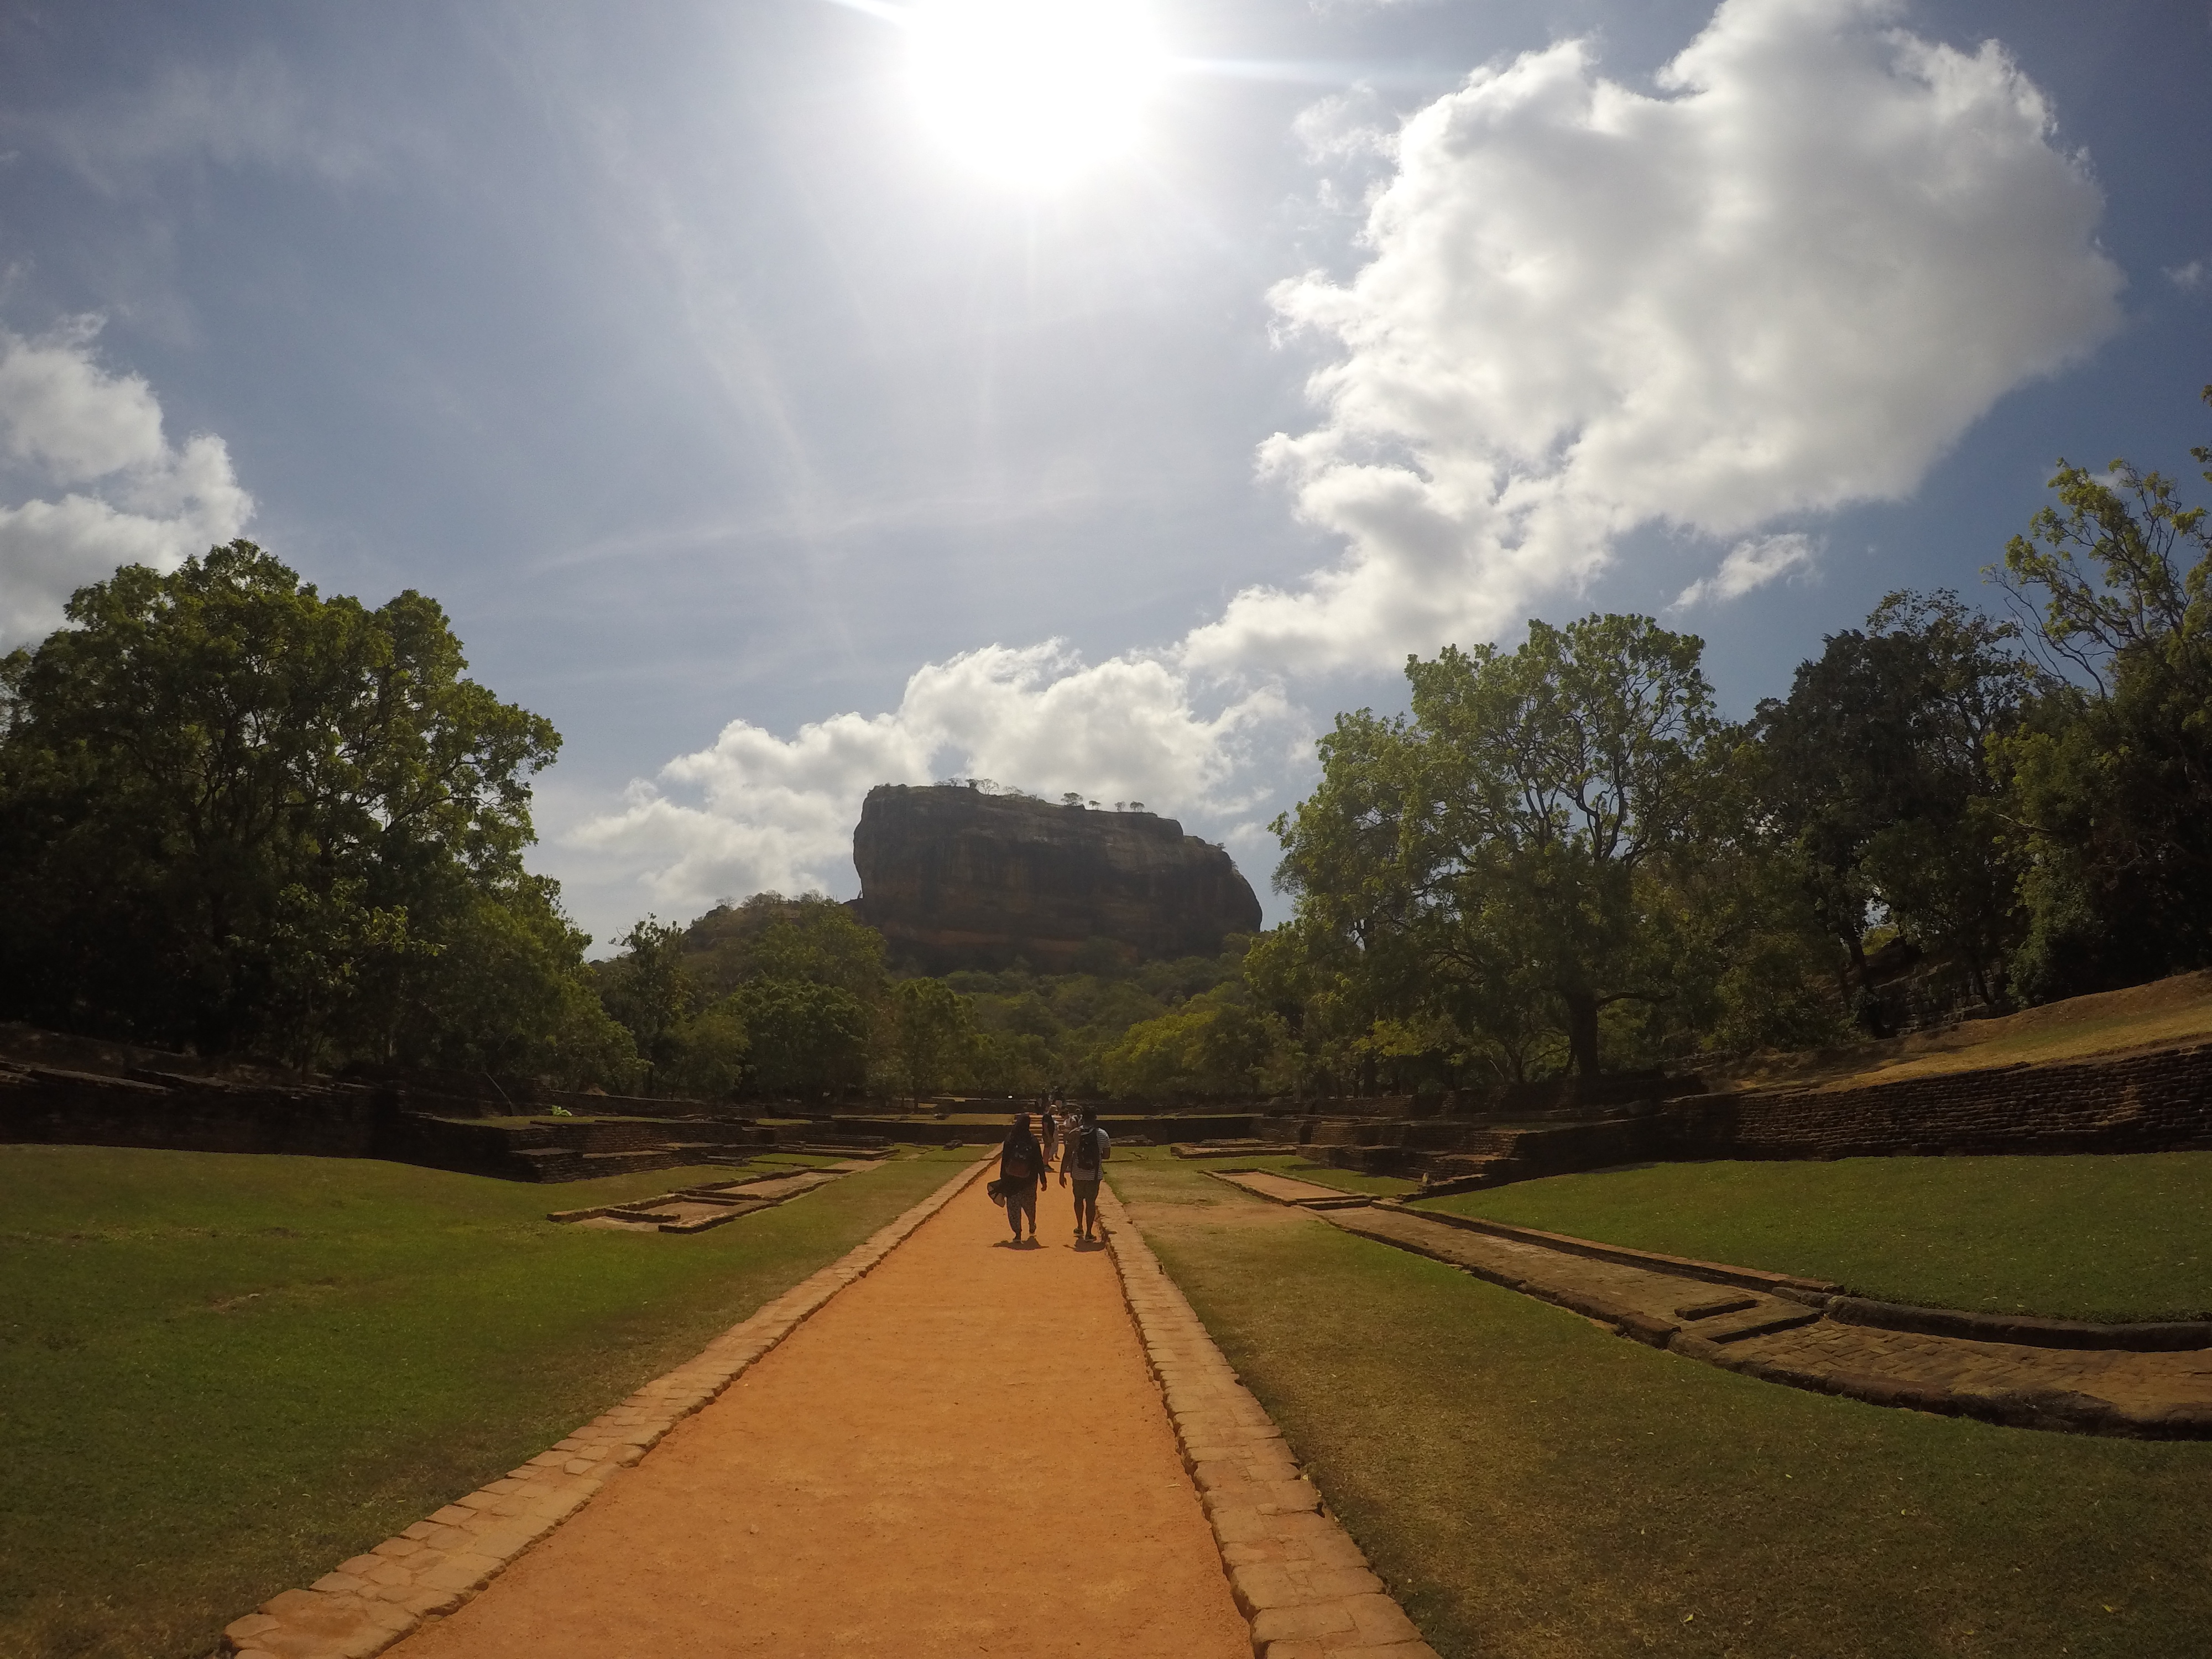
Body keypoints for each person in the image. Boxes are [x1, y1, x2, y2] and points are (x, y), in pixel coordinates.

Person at [1059, 1105, 1110, 1241]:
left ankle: (1080, 1226)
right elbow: (1107, 1156)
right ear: (1095, 1118)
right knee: (1091, 1202)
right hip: (1094, 1175)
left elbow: (1067, 1155)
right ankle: (1089, 1232)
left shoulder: (1075, 1133)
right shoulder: (1102, 1134)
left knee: (1078, 1200)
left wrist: (1062, 1173)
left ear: (1082, 1117)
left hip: (1078, 1174)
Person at [998, 1112, 1046, 1245]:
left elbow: (1005, 1160)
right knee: (1030, 1204)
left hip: (1012, 1179)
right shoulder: (1032, 1140)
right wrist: (1043, 1179)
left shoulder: (1011, 1139)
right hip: (1029, 1179)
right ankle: (1031, 1222)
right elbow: (1039, 1161)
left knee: (1014, 1206)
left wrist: (1002, 1178)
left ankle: (1017, 1233)